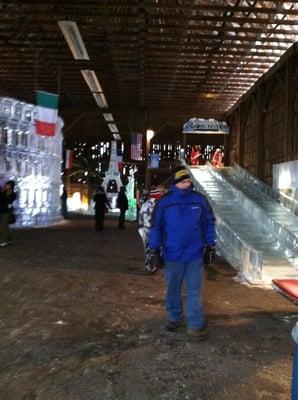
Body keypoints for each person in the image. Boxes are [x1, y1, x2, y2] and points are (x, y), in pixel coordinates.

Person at [148, 167, 216, 340]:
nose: (187, 183)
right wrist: (154, 249)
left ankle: (195, 325)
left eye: (188, 181)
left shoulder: (199, 200)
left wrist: (210, 245)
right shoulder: (165, 202)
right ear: (176, 183)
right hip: (173, 255)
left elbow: (209, 222)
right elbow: (156, 227)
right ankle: (174, 318)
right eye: (183, 181)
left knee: (194, 291)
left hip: (194, 255)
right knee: (173, 289)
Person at [138, 185, 165, 274]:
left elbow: (140, 218)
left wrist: (143, 225)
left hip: (145, 229)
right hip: (156, 230)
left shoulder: (145, 205)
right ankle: (156, 265)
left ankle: (149, 266)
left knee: (148, 249)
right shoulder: (159, 205)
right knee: (157, 248)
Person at [0, 180, 17, 247]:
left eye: (8, 185)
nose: (6, 186)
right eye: (6, 184)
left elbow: (8, 200)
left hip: (6, 212)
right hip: (1, 211)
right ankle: (9, 240)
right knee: (4, 226)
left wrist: (3, 193)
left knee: (3, 226)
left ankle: (4, 241)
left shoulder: (12, 194)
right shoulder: (2, 191)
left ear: (11, 186)